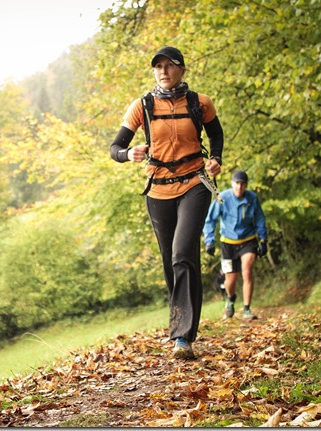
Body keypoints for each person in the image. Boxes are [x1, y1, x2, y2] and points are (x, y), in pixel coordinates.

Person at [109, 46, 224, 359]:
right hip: (158, 190)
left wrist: (215, 160)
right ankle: (184, 324)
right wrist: (126, 154)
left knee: (182, 252)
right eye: (158, 66)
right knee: (171, 261)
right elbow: (115, 146)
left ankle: (182, 338)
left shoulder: (199, 102)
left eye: (169, 65)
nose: (163, 71)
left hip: (194, 183)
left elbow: (216, 135)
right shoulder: (142, 106)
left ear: (181, 70)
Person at [202, 170, 268, 321]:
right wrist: (209, 240)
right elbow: (210, 220)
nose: (239, 187)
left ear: (246, 185)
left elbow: (259, 219)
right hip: (228, 243)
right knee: (230, 280)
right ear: (232, 184)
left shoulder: (252, 198)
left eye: (243, 184)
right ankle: (231, 299)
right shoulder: (222, 198)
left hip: (248, 240)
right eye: (237, 183)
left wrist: (263, 239)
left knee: (247, 270)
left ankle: (246, 309)